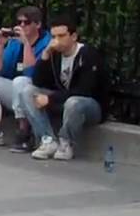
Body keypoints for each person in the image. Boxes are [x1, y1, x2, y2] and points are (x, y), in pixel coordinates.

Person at [16, 14, 109, 161]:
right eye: (54, 37)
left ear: (73, 36)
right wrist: (45, 54)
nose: (57, 41)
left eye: (61, 36)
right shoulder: (55, 54)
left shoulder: (88, 54)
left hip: (89, 106)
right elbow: (38, 81)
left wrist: (51, 98)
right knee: (28, 91)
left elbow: (85, 90)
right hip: (63, 100)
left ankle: (66, 143)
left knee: (74, 102)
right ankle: (47, 140)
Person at [0, 5, 49, 149]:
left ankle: (24, 130)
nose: (22, 26)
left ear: (38, 24)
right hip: (17, 93)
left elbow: (31, 73)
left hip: (37, 91)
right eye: (19, 22)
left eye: (27, 22)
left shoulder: (46, 42)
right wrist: (0, 44)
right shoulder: (14, 42)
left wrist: (26, 44)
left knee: (21, 81)